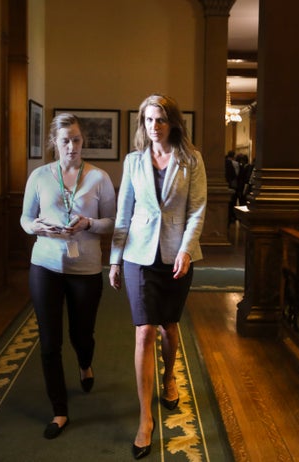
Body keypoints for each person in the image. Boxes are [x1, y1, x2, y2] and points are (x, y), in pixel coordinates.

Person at [108, 94, 207, 460]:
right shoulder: (133, 162)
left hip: (177, 254)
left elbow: (197, 210)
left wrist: (184, 249)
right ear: (142, 124)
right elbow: (123, 213)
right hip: (138, 254)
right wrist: (115, 260)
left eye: (161, 120)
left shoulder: (191, 160)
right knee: (144, 330)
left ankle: (168, 378)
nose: (154, 126)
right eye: (149, 120)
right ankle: (145, 418)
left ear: (173, 123)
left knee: (168, 326)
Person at [20, 112, 116, 440]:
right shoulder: (39, 176)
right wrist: (35, 226)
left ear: (83, 140)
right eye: (65, 140)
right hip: (45, 265)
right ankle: (59, 410)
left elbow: (113, 223)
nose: (72, 146)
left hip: (86, 268)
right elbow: (25, 218)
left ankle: (85, 363)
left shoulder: (99, 178)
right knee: (49, 342)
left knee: (81, 334)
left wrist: (89, 223)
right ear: (54, 143)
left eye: (76, 139)